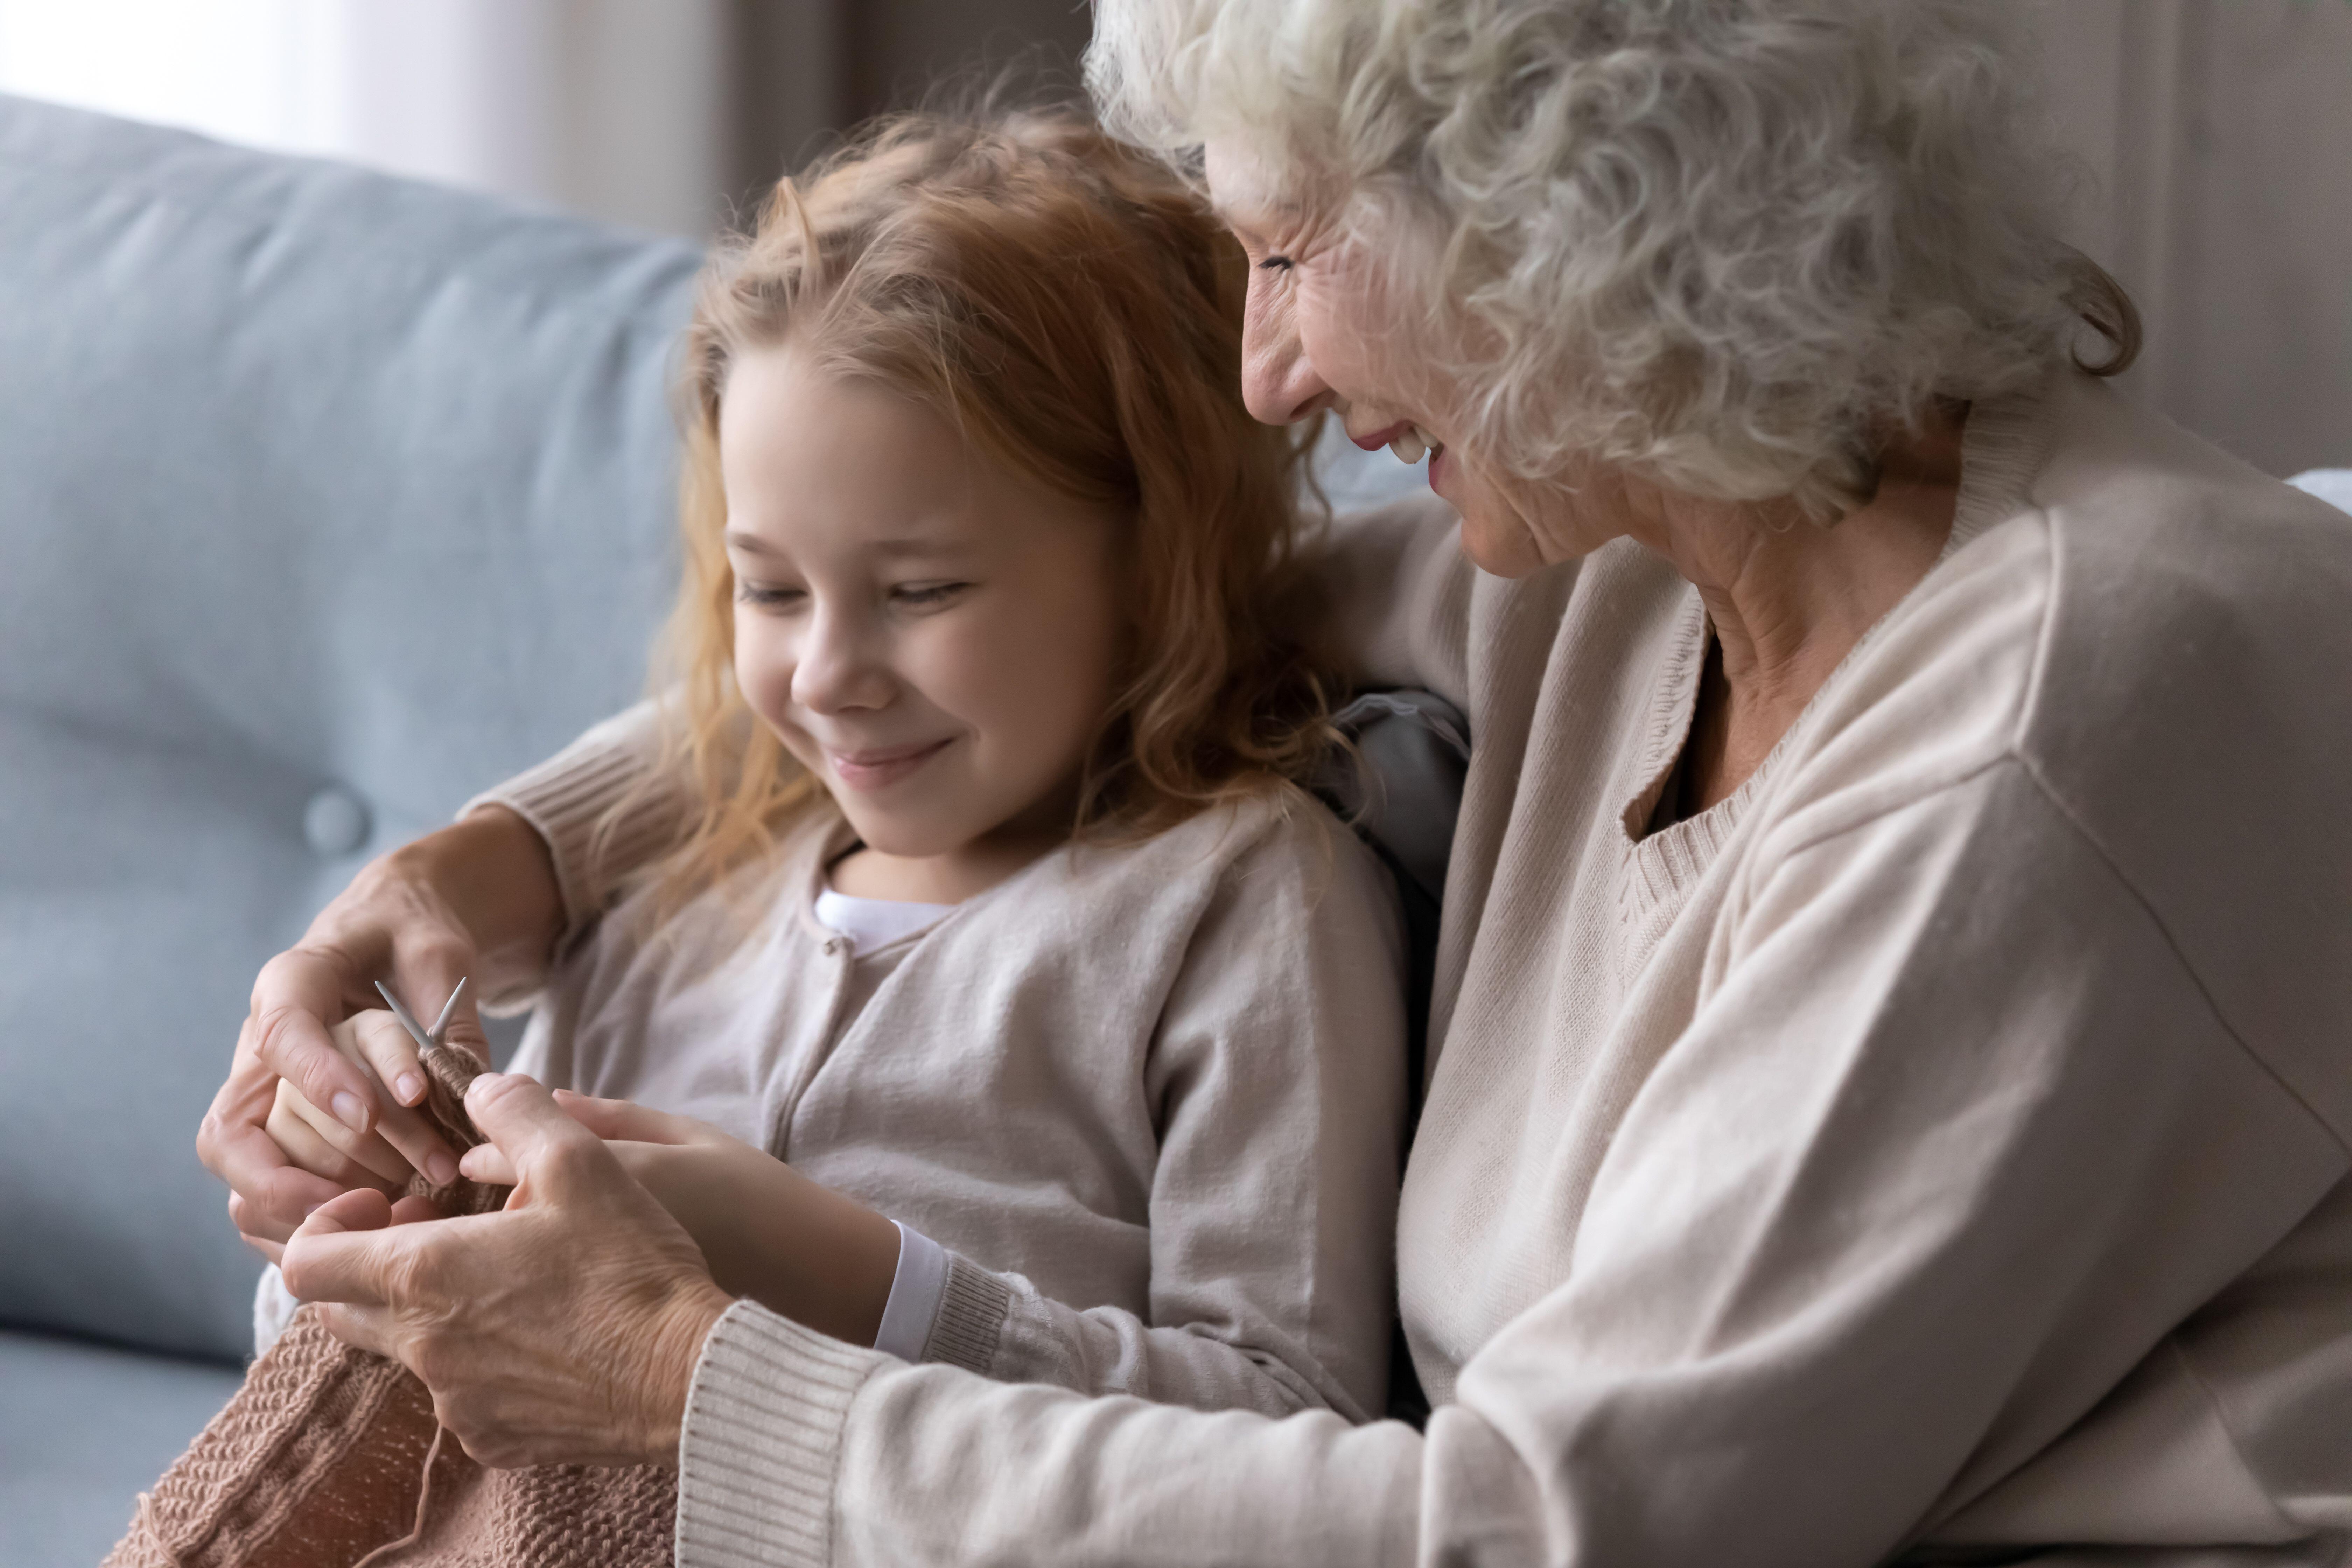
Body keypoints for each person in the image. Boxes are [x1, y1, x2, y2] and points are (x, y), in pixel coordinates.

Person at [207, 1, 2352, 1563]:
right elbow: (1107, 631)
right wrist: (474, 873)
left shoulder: (2046, 725)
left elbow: (1550, 1538)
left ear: (1572, 219)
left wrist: (692, 1377)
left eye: (1295, 250)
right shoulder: (1632, 542)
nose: (1265, 375)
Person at [240, 107, 1409, 1431]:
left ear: (1155, 561)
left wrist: (855, 1282)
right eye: (770, 589)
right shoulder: (676, 887)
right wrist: (359, 1224)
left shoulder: (1240, 909)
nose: (826, 674)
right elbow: (357, 1395)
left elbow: (1282, 1427)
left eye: (922, 590)